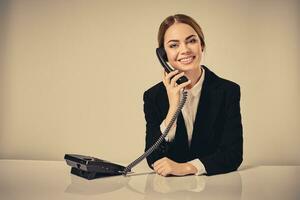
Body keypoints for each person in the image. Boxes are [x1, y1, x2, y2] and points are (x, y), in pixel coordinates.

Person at [143, 14, 243, 177]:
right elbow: (153, 158)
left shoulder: (227, 91)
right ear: (163, 54)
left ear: (201, 45)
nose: (185, 50)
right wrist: (173, 108)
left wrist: (187, 167)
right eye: (174, 45)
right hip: (171, 192)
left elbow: (233, 155)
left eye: (191, 41)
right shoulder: (153, 96)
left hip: (215, 189)